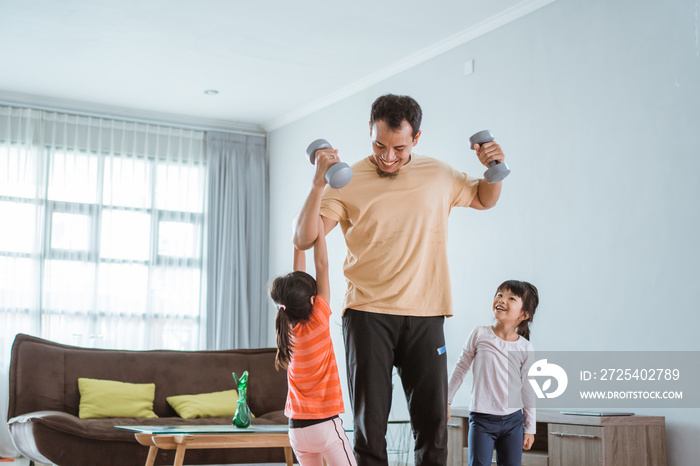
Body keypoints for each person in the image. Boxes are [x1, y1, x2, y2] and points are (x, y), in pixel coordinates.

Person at [292, 93, 506, 466]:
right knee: (369, 431)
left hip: (427, 314)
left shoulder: (439, 174)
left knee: (433, 429)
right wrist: (316, 185)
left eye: (399, 148)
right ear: (369, 133)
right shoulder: (347, 179)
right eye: (379, 145)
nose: (388, 156)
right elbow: (306, 239)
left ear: (416, 139)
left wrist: (493, 168)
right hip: (367, 315)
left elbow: (485, 199)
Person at [269, 218, 356, 466]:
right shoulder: (318, 321)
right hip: (324, 425)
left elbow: (309, 271)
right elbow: (323, 265)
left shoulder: (286, 325)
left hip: (296, 430)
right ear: (311, 302)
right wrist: (316, 230)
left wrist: (300, 238)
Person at [447, 280, 538, 466]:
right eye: (499, 294)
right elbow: (460, 368)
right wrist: (446, 400)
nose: (502, 300)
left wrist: (530, 428)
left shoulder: (525, 347)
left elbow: (528, 388)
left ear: (524, 314)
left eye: (511, 298)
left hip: (513, 421)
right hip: (481, 419)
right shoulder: (479, 334)